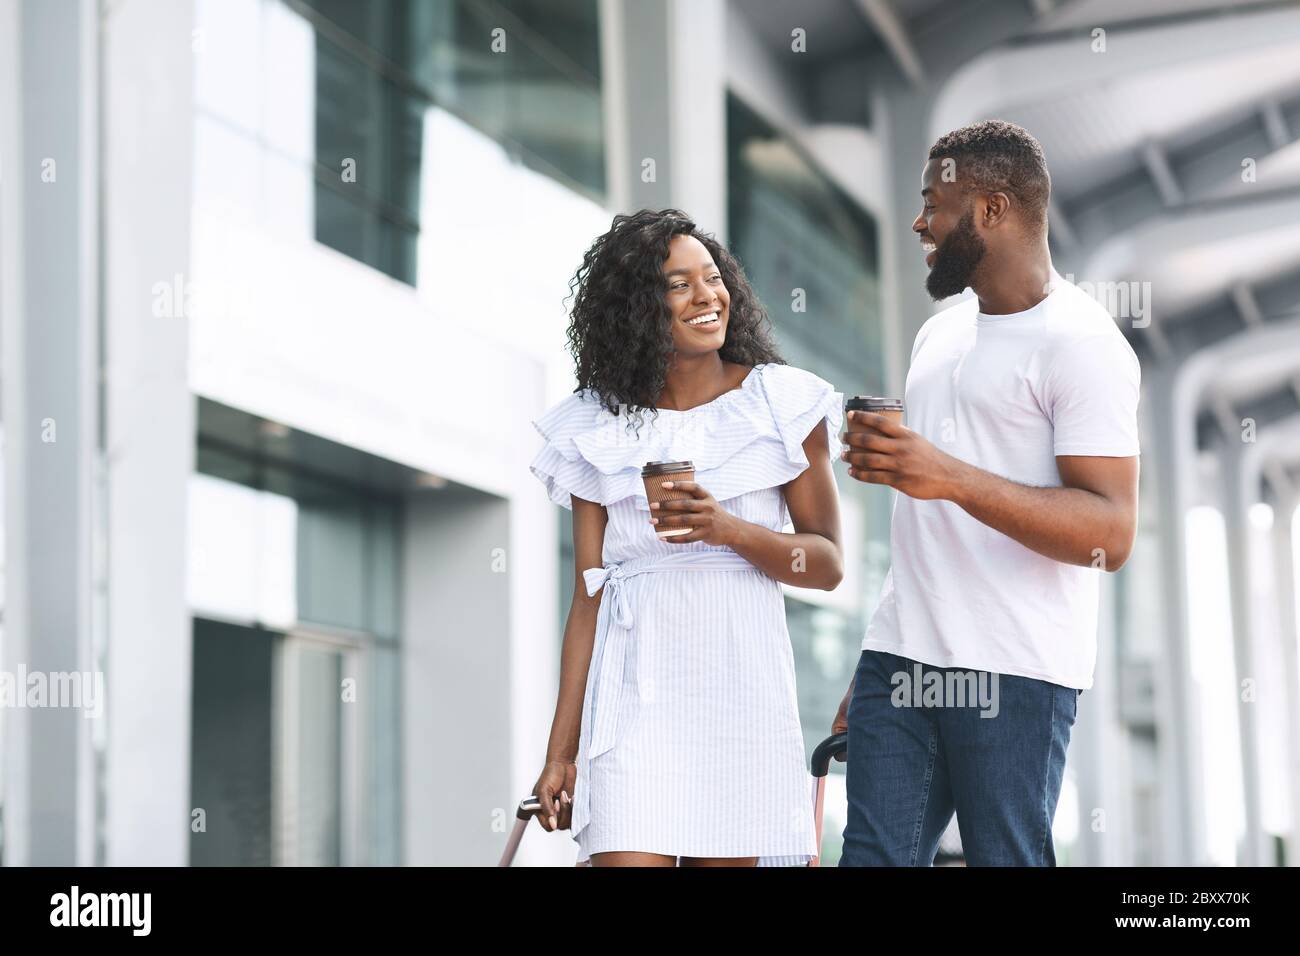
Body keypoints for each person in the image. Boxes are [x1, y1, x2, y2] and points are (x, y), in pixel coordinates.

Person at [835, 120, 1140, 866]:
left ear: (992, 210)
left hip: (1017, 671)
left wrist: (946, 475)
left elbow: (1111, 533)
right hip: (902, 659)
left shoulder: (1084, 343)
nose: (919, 222)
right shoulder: (937, 336)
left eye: (933, 205)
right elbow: (921, 531)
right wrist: (873, 656)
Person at [529, 209, 844, 867]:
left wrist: (725, 528)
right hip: (632, 705)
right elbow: (587, 598)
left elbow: (827, 565)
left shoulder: (781, 406)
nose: (708, 296)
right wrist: (560, 753)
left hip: (739, 700)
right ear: (639, 307)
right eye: (679, 284)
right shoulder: (596, 423)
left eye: (713, 277)